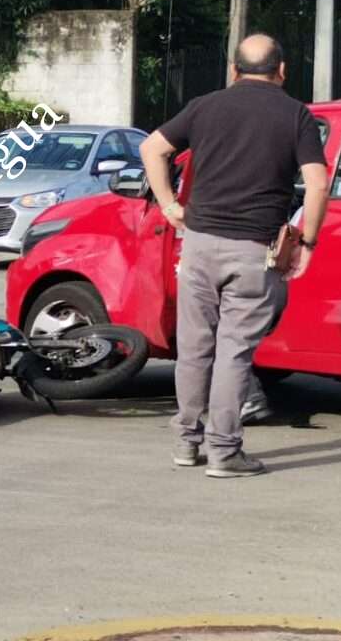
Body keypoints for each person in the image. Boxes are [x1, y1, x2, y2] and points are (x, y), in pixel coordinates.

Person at [139, 33, 330, 479]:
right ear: (282, 71)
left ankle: (187, 443)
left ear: (233, 70)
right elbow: (318, 185)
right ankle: (224, 452)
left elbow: (152, 148)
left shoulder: (206, 106)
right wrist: (307, 242)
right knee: (233, 352)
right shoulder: (295, 115)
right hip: (253, 251)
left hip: (199, 244)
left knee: (194, 348)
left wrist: (169, 206)